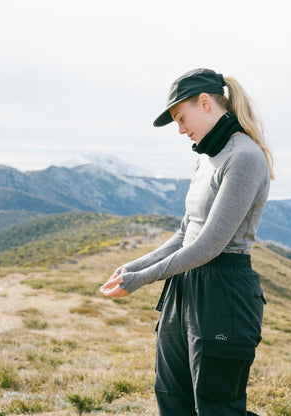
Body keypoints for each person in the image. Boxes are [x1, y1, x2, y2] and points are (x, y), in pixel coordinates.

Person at [100, 68, 274, 416]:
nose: (181, 130)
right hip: (184, 288)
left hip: (224, 291)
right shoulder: (206, 157)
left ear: (205, 103)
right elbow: (185, 234)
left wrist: (141, 280)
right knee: (172, 397)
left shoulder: (244, 158)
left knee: (216, 406)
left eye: (181, 118)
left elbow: (209, 244)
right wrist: (131, 267)